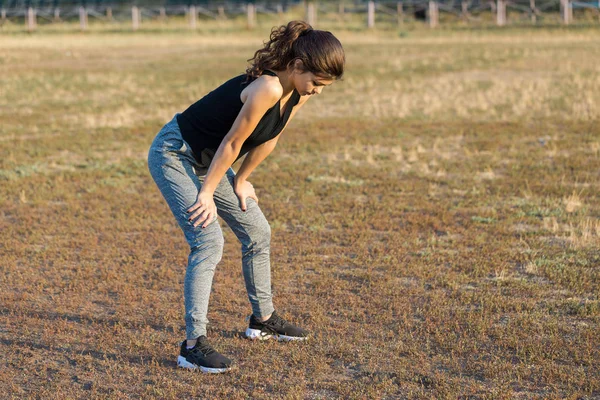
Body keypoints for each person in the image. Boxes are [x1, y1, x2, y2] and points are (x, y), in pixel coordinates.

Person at [147, 20, 345, 373]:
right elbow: (233, 143)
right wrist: (206, 193)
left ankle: (262, 319)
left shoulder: (295, 93)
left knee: (257, 231)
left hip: (211, 163)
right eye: (315, 83)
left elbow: (270, 136)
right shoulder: (266, 87)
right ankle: (192, 346)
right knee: (208, 241)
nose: (317, 91)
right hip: (174, 153)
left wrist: (243, 181)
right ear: (297, 66)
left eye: (323, 86)